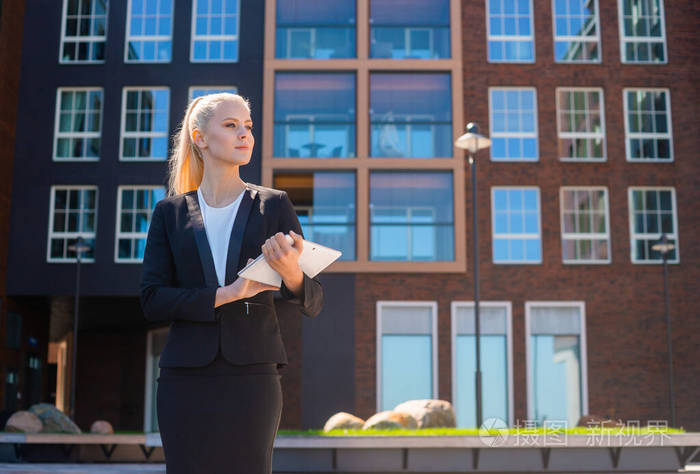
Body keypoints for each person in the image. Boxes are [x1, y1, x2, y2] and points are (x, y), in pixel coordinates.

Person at [139, 92, 324, 473]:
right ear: (200, 137)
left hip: (253, 375)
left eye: (248, 126)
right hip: (184, 377)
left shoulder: (273, 205)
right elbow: (153, 300)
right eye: (231, 125)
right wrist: (227, 294)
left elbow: (313, 300)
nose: (245, 135)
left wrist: (290, 272)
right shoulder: (169, 213)